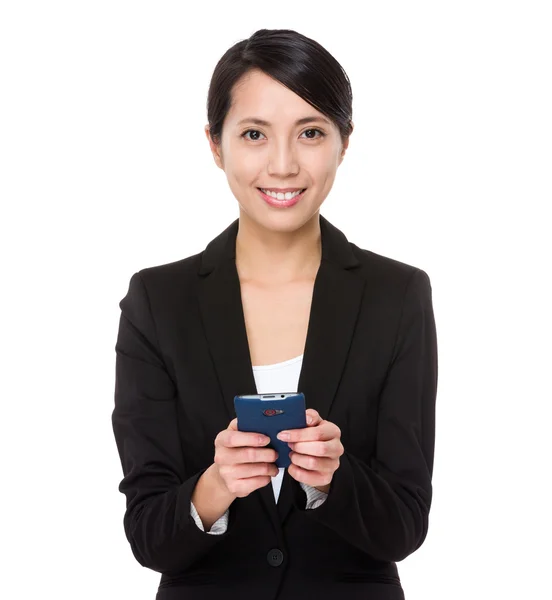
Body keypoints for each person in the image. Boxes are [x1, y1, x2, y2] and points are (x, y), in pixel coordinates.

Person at [112, 28, 438, 600]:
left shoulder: (398, 295)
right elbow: (148, 536)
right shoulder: (157, 302)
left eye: (310, 132)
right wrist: (216, 486)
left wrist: (332, 479)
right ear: (216, 145)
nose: (283, 165)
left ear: (344, 141)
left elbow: (405, 526)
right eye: (255, 134)